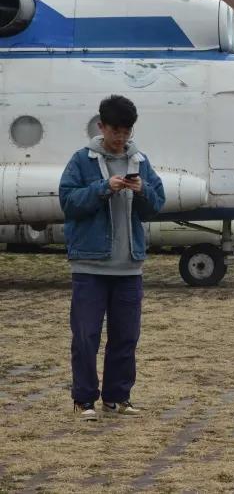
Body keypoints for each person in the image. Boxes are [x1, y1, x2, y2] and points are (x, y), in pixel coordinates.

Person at [60, 94, 166, 421]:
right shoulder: (82, 160)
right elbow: (69, 202)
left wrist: (143, 190)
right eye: (115, 130)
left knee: (126, 337)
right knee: (86, 336)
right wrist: (103, 187)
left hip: (129, 266)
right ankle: (84, 400)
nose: (121, 137)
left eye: (126, 131)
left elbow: (157, 204)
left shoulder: (140, 161)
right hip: (89, 265)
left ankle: (117, 396)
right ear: (101, 126)